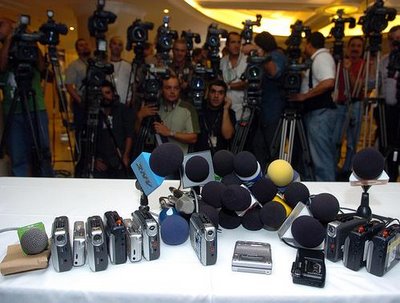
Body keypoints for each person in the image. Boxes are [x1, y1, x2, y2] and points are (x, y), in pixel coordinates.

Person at [0, 17, 53, 177]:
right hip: (13, 110)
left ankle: (49, 187)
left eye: (1, 24)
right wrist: (9, 40)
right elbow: (1, 67)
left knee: (43, 153)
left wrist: (31, 39)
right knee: (18, 156)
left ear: (11, 25)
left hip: (36, 107)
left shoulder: (30, 47)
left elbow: (42, 66)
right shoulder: (3, 51)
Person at [289, 32, 337, 181]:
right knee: (316, 154)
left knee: (321, 155)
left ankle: (328, 191)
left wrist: (305, 95)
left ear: (309, 44)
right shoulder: (318, 58)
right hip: (316, 112)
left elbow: (328, 81)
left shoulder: (321, 58)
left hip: (320, 113)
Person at [247, 31, 288, 172]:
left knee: (273, 147)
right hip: (262, 108)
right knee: (258, 145)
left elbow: (274, 72)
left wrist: (258, 53)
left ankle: (276, 175)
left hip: (273, 109)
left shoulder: (276, 56)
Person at [137, 75, 199, 154]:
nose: (172, 91)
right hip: (156, 158)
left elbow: (193, 138)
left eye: (176, 88)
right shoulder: (154, 107)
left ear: (180, 90)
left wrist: (170, 132)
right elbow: (138, 134)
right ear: (162, 90)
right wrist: (139, 116)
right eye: (168, 88)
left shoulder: (188, 108)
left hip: (179, 159)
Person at [333, 36, 365, 180]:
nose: (355, 49)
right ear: (348, 47)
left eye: (359, 46)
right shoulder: (339, 63)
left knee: (352, 142)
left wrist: (349, 70)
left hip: (356, 103)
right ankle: (334, 168)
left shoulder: (363, 64)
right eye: (353, 45)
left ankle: (347, 171)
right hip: (340, 105)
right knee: (336, 139)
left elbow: (357, 86)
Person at [93, 81, 134, 178]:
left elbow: (129, 134)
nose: (105, 97)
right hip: (101, 161)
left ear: (113, 93)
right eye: (101, 94)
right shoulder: (94, 112)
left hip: (119, 159)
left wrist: (126, 156)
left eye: (107, 93)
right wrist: (94, 160)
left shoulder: (123, 109)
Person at [379, 25, 400, 182]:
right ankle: (390, 177)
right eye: (392, 40)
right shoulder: (385, 60)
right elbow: (376, 83)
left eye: (398, 40)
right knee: (387, 148)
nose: (395, 44)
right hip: (387, 111)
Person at [194, 79, 236, 154]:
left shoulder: (230, 113)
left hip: (221, 157)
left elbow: (227, 135)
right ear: (208, 93)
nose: (216, 96)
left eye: (220, 93)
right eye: (213, 92)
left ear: (225, 96)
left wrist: (226, 109)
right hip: (200, 156)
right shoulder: (199, 111)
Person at [65, 38, 91, 147]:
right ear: (77, 49)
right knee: (81, 131)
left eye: (86, 44)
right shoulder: (74, 65)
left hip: (95, 101)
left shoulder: (94, 63)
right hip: (82, 103)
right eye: (81, 45)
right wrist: (80, 100)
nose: (84, 47)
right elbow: (69, 85)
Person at [220, 31, 247, 120]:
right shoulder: (223, 61)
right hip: (225, 105)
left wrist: (227, 86)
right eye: (233, 42)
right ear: (227, 45)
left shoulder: (247, 61)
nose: (236, 45)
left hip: (242, 106)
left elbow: (247, 83)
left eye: (239, 42)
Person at [109, 36, 132, 105]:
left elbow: (132, 86)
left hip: (124, 104)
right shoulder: (104, 65)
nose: (117, 47)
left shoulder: (128, 66)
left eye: (120, 45)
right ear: (110, 46)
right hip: (108, 104)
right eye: (114, 44)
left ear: (122, 48)